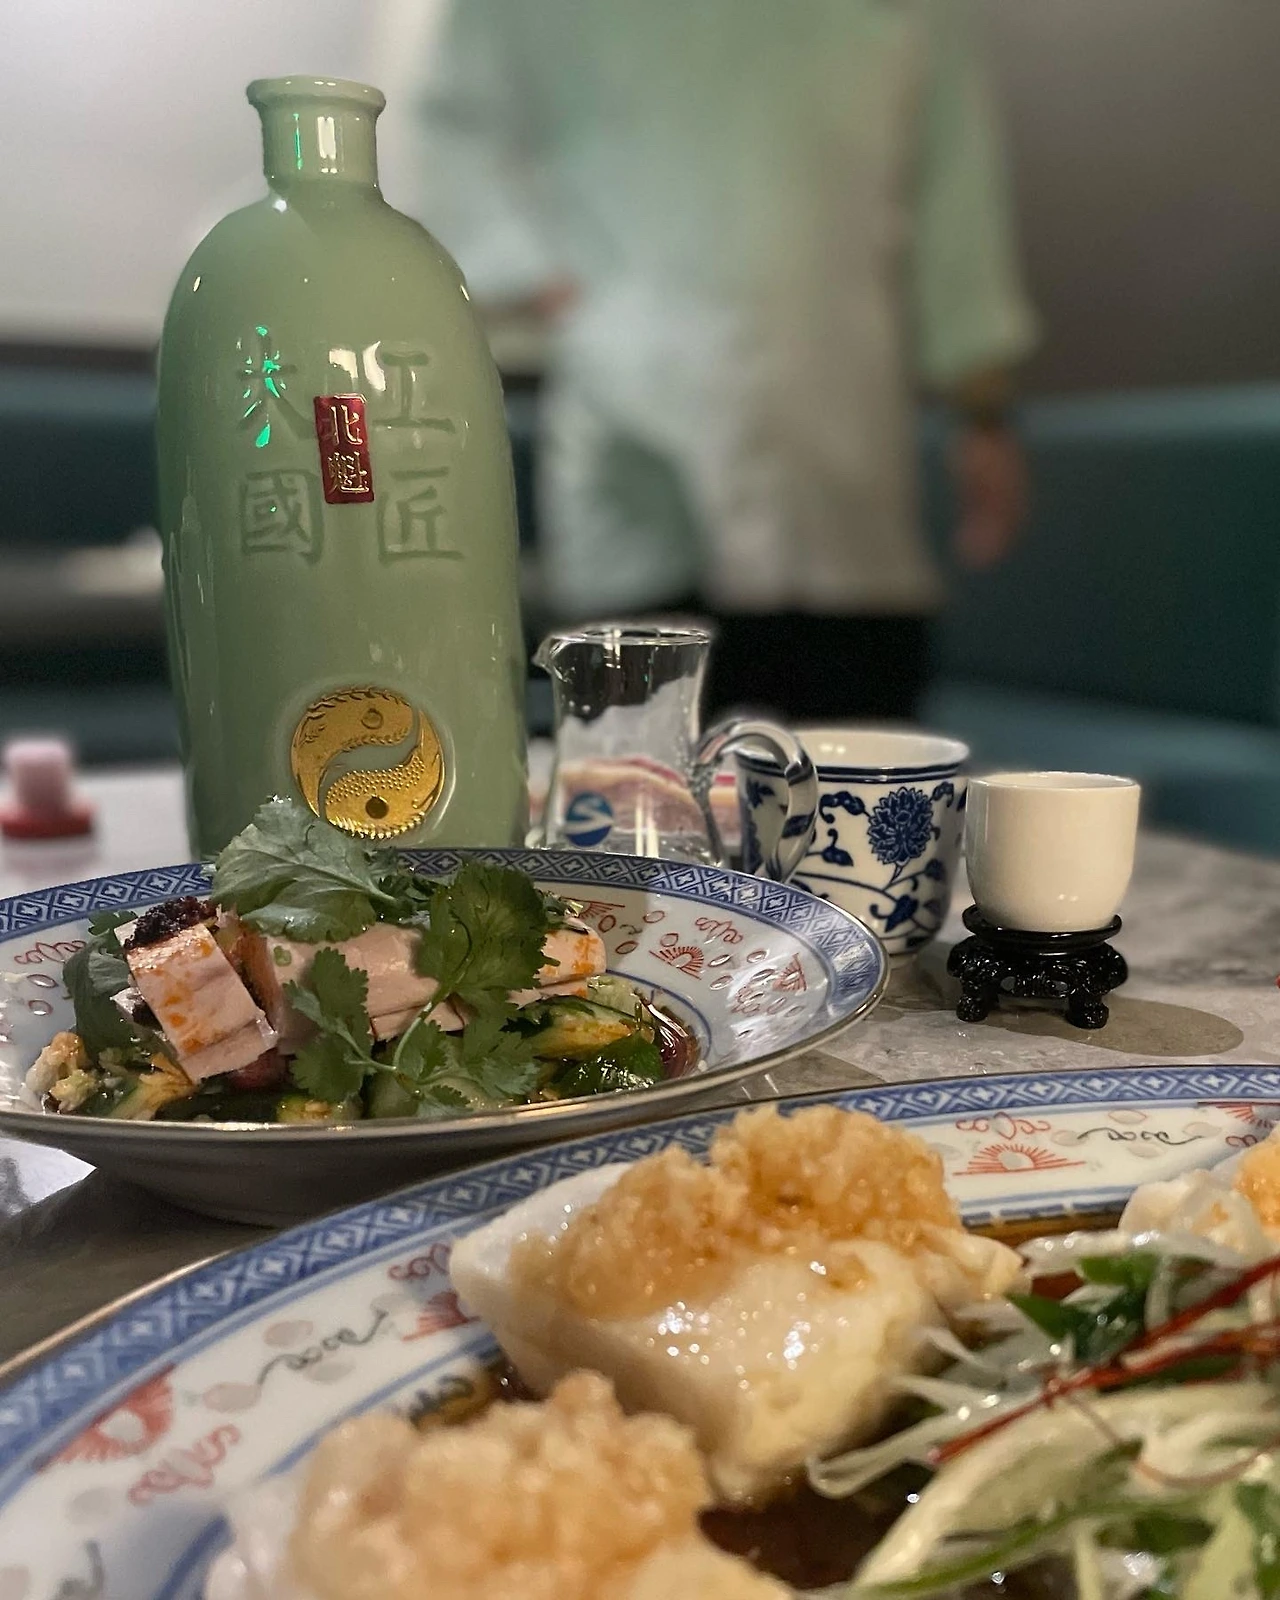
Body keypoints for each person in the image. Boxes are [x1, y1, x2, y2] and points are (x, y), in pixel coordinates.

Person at [393, 0, 1038, 721]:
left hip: (833, 422)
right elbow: (453, 127)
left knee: (851, 741)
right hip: (630, 399)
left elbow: (955, 192)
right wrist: (532, 276)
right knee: (633, 755)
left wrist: (983, 405)